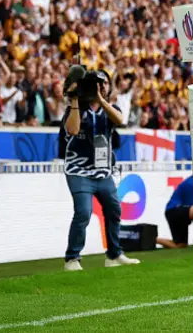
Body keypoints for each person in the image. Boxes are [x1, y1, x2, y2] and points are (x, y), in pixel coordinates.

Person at [62, 70, 140, 271]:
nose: (100, 87)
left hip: (103, 171)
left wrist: (100, 100)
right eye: (96, 84)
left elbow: (120, 120)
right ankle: (72, 258)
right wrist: (75, 99)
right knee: (83, 213)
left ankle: (114, 255)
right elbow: (72, 130)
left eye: (103, 83)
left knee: (114, 210)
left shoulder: (110, 108)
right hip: (78, 170)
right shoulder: (76, 107)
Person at [156, 176, 193, 249]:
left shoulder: (192, 181)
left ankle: (153, 240)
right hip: (174, 210)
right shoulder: (192, 183)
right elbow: (192, 206)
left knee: (180, 245)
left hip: (172, 212)